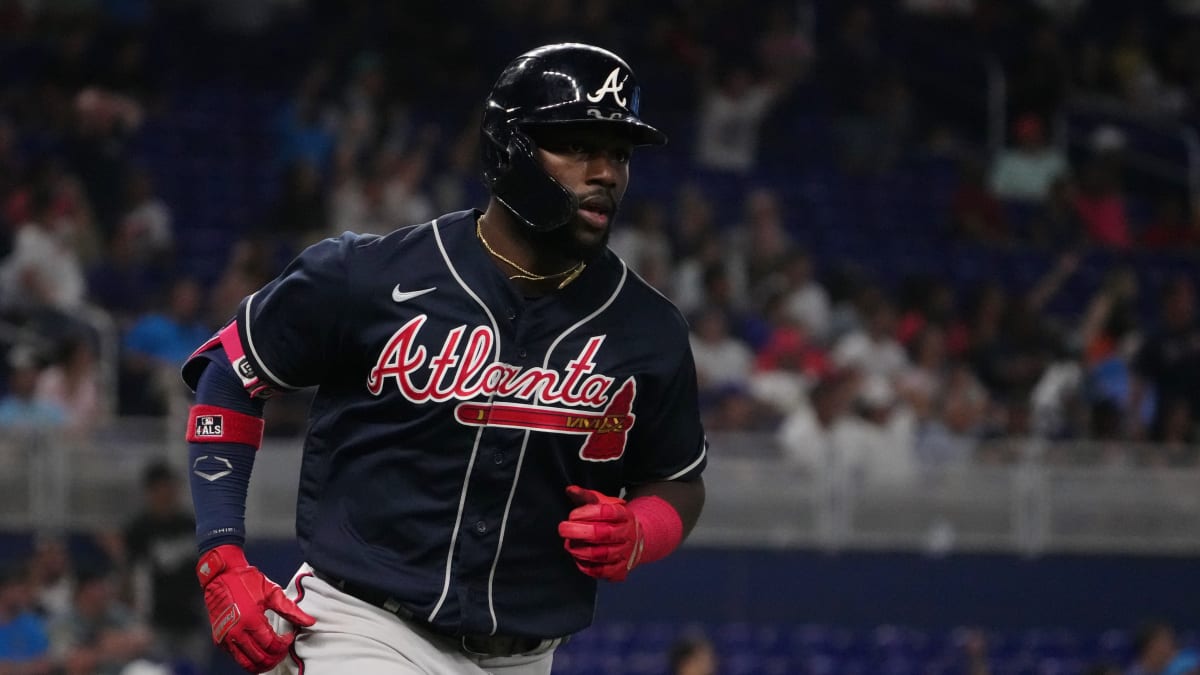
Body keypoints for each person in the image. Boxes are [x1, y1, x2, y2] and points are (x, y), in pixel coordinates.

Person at [180, 43, 707, 675]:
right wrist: (222, 557)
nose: (606, 172)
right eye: (578, 147)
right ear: (508, 148)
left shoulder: (650, 328)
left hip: (526, 655)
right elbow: (230, 375)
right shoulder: (369, 275)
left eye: (618, 153)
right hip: (364, 628)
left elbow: (677, 478)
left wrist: (643, 528)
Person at [122, 461, 208, 672]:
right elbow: (131, 574)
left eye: (171, 487)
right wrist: (136, 617)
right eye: (162, 487)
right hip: (158, 621)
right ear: (151, 491)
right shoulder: (140, 529)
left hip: (192, 618)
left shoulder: (190, 524)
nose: (168, 493)